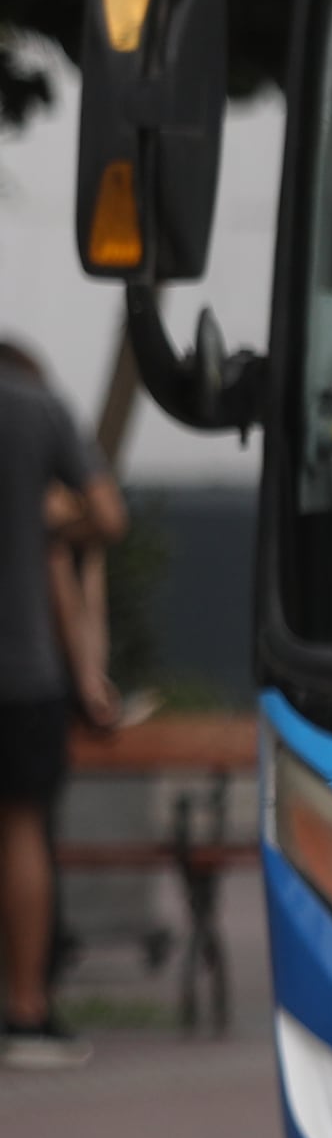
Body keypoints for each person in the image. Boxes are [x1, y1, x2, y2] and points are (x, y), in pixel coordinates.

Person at [0, 340, 127, 1071]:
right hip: (22, 670)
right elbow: (107, 518)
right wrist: (48, 526)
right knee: (23, 828)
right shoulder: (39, 412)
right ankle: (25, 1010)